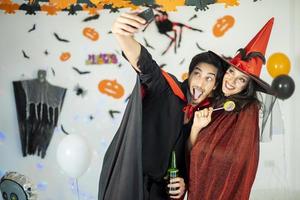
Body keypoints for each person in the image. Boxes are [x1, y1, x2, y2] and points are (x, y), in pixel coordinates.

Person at [98, 12, 227, 200]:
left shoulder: (204, 118)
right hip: (128, 181)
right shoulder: (166, 89)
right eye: (197, 74)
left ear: (214, 86)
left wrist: (182, 183)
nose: (200, 83)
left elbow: (187, 163)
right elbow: (146, 67)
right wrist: (122, 35)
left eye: (209, 78)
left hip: (158, 194)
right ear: (189, 75)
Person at [187, 18, 275, 200]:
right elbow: (189, 151)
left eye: (241, 79)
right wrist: (196, 127)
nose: (232, 81)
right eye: (231, 72)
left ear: (247, 87)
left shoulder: (247, 111)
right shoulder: (214, 103)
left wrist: (203, 148)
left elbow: (237, 162)